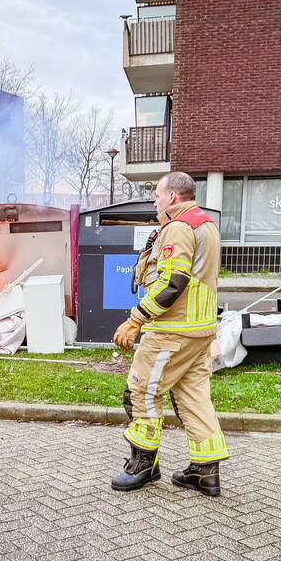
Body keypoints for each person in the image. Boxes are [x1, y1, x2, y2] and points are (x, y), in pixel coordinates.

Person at [111, 171, 228, 496]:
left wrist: (136, 319)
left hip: (172, 331)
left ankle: (143, 466)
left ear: (173, 197)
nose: (155, 201)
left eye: (158, 195)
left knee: (142, 391)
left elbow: (172, 281)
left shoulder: (179, 227)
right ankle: (205, 472)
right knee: (193, 396)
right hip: (199, 330)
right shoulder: (205, 225)